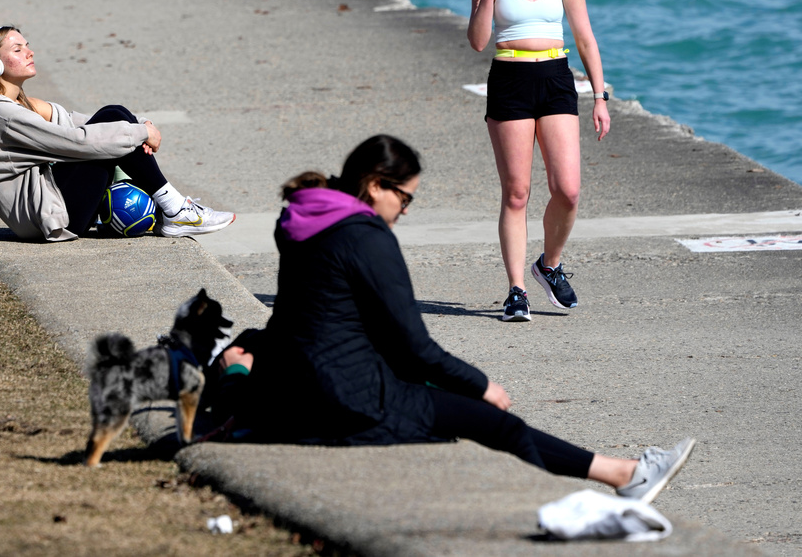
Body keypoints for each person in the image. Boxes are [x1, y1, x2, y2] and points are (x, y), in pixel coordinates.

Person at [210, 135, 693, 504]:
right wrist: (480, 384)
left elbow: (306, 315)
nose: (405, 210)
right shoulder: (366, 238)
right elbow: (412, 346)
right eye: (405, 198)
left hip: (308, 383)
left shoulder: (304, 219)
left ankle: (623, 474)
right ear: (376, 186)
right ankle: (599, 494)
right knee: (496, 423)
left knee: (469, 413)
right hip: (349, 401)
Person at [466, 0, 610, 322]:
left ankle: (549, 264)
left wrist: (599, 97)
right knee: (517, 192)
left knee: (567, 189)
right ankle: (516, 291)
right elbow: (477, 41)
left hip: (555, 79)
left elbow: (585, 40)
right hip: (509, 80)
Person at [0, 25, 236, 241]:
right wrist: (136, 131)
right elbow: (76, 142)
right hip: (54, 219)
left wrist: (140, 124)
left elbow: (73, 121)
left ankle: (173, 210)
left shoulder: (16, 107)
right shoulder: (0, 117)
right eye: (17, 49)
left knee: (116, 117)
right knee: (114, 121)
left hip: (51, 212)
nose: (29, 52)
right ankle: (176, 211)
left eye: (27, 46)